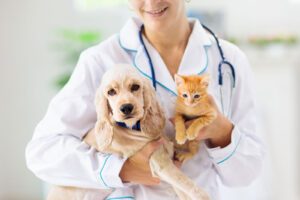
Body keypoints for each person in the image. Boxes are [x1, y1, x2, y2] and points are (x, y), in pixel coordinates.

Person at [25, 0, 265, 199]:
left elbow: (245, 174)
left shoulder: (229, 60)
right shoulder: (100, 61)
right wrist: (121, 169)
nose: (151, 2)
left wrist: (222, 131)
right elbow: (42, 153)